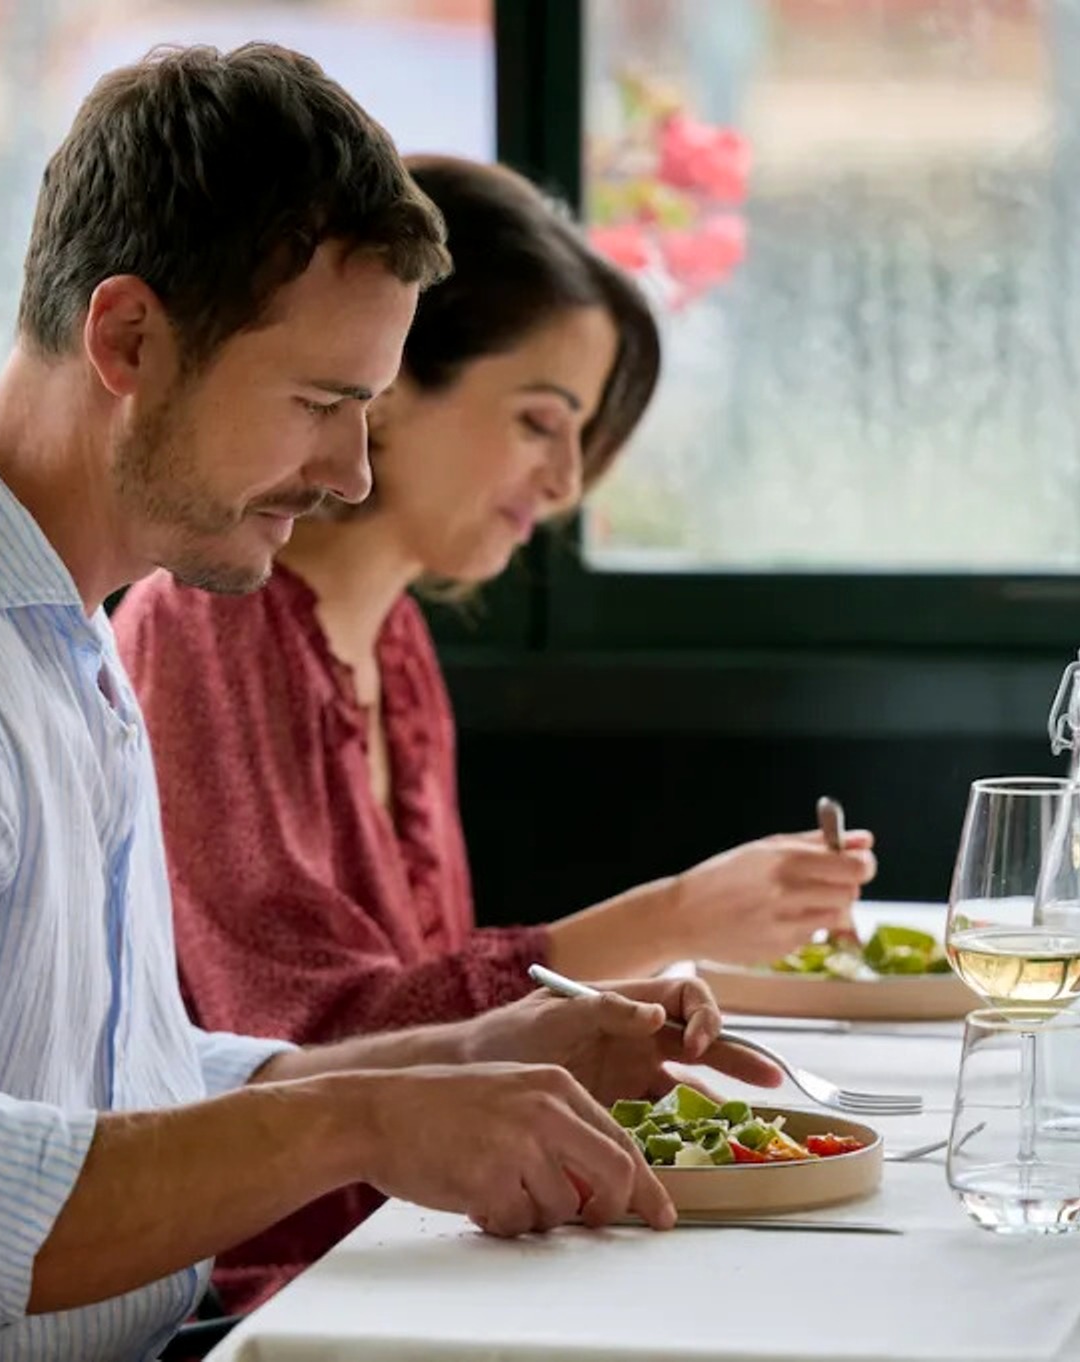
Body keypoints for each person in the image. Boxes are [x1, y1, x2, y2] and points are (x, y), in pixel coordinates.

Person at [0, 49, 778, 1362]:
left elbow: (113, 1086)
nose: (350, 470)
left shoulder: (47, 624)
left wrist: (459, 1056)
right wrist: (361, 1125)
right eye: (318, 402)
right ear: (126, 337)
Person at [114, 155, 875, 1312]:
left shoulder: (397, 650)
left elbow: (423, 1020)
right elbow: (303, 1042)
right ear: (388, 377)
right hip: (282, 1284)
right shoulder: (201, 625)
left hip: (419, 1238)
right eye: (538, 422)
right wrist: (665, 919)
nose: (563, 483)